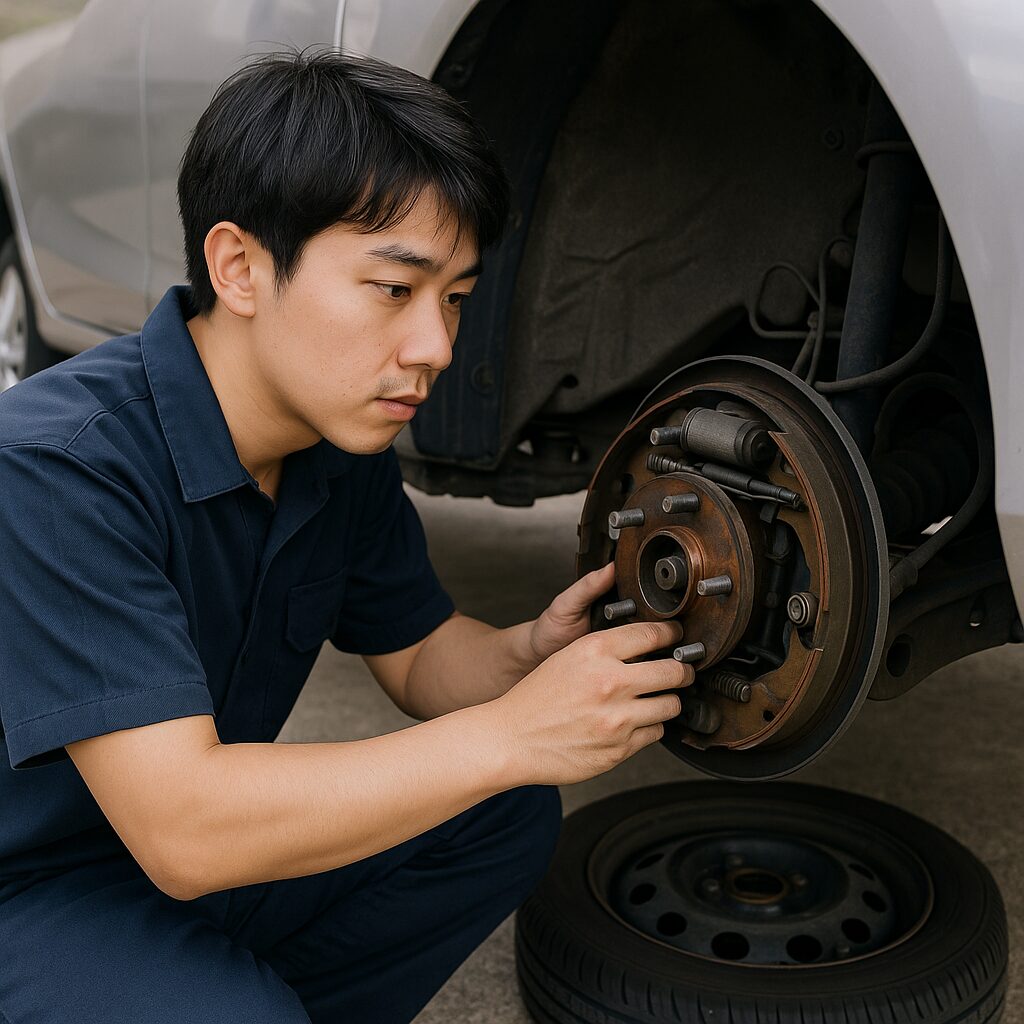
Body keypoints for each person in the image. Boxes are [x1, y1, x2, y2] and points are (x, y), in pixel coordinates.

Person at [0, 49, 691, 1023]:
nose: (437, 347)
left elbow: (419, 657)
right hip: (30, 887)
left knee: (504, 809)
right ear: (239, 268)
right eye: (395, 289)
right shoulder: (58, 468)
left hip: (178, 865)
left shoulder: (331, 445)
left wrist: (532, 658)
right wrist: (510, 732)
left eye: (455, 298)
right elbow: (185, 829)